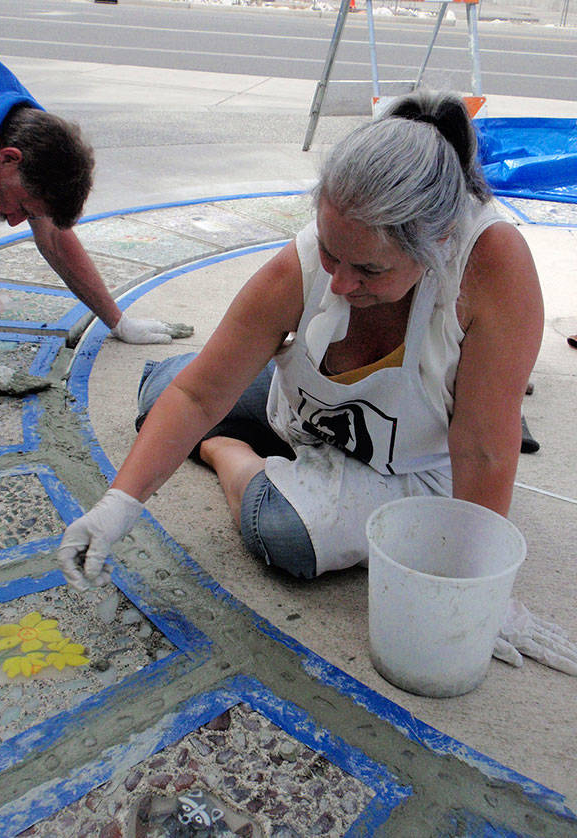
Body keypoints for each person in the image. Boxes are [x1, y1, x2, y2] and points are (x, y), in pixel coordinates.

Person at [58, 91, 576, 674]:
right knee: (163, 392)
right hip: (306, 417)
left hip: (413, 467)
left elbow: (482, 448)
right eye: (330, 254)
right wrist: (117, 507)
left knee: (283, 533)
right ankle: (268, 449)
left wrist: (479, 585)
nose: (340, 285)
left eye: (370, 270)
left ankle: (225, 450)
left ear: (436, 245)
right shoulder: (315, 254)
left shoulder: (489, 266)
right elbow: (197, 394)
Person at [0, 2, 192, 395]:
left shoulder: (15, 116)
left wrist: (117, 320)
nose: (15, 221)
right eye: (22, 208)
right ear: (7, 159)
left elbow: (53, 233)